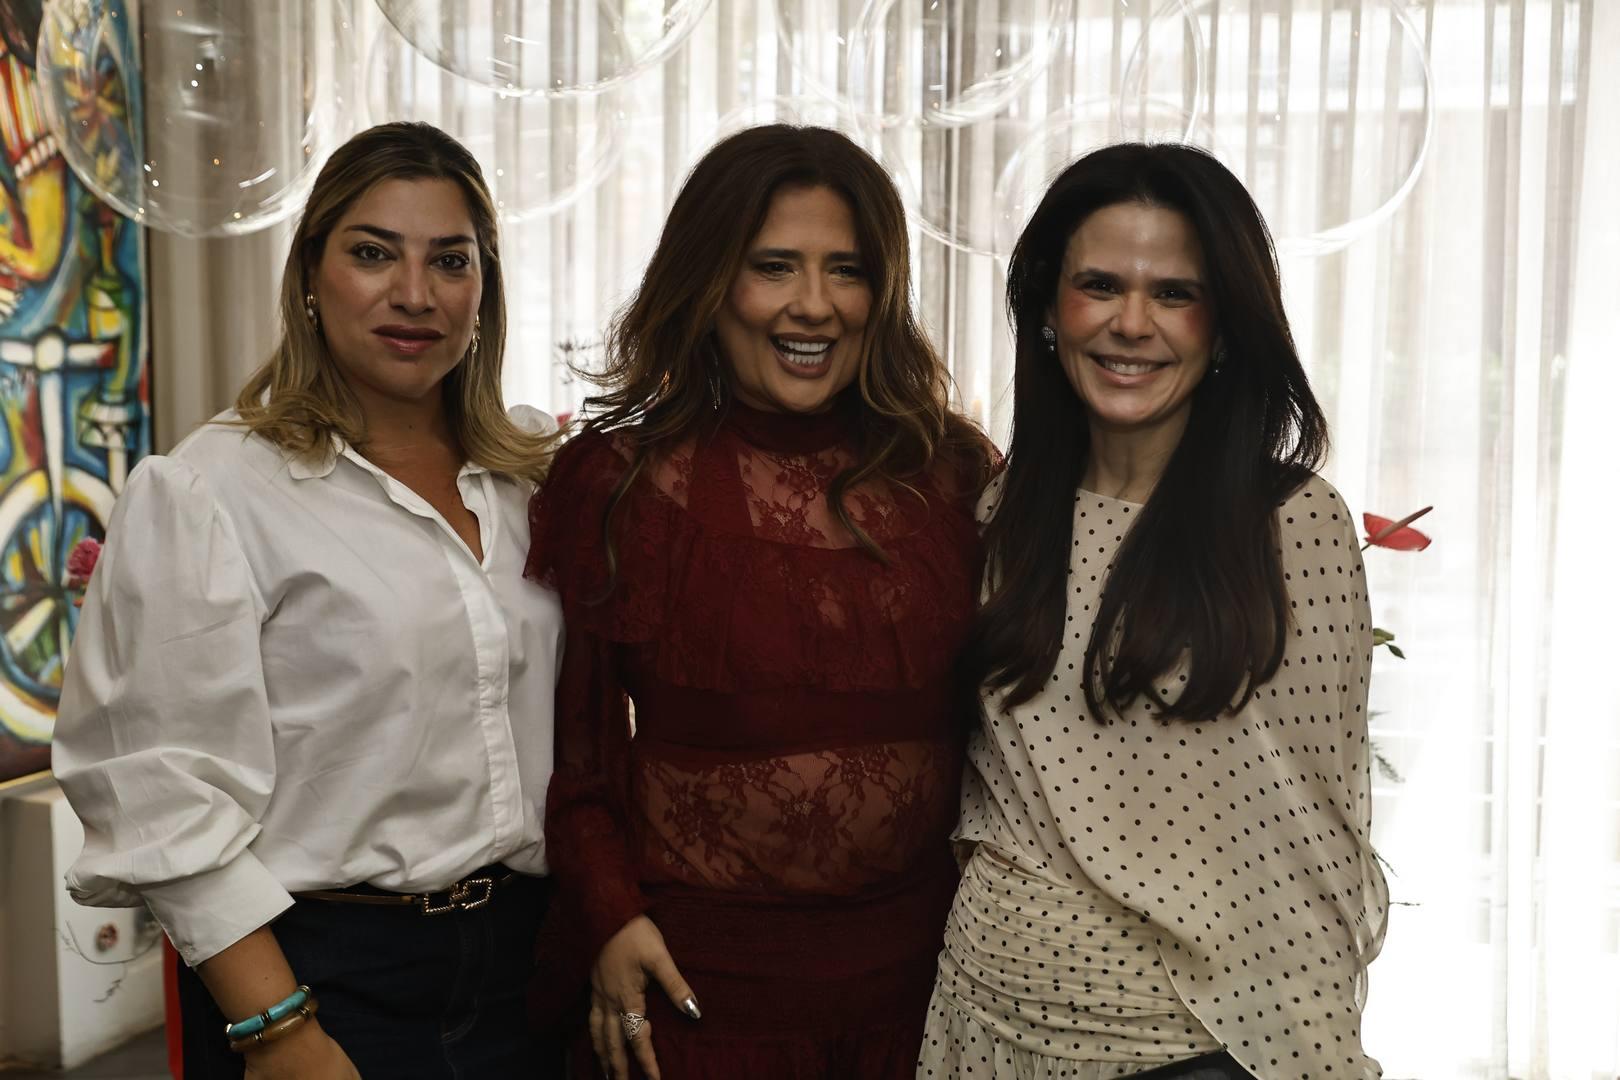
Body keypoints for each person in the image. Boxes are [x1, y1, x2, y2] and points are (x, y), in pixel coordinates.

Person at [52, 122, 564, 1079]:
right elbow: (158, 788)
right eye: (373, 253)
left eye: (449, 260)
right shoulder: (214, 489)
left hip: (528, 969)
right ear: (309, 280)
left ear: (484, 290)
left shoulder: (532, 478)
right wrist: (280, 1029)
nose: (414, 293)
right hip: (320, 978)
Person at [527, 124, 996, 1080]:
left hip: (924, 989)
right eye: (774, 266)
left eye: (846, 270)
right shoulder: (620, 483)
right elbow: (578, 761)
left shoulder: (952, 474)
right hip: (699, 989)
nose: (814, 304)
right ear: (710, 283)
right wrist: (610, 919)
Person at [917, 143, 1388, 1080]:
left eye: (1174, 293)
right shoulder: (999, 514)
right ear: (1048, 310)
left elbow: (1312, 831)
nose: (1131, 323)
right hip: (981, 1024)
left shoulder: (1291, 524)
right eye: (1100, 285)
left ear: (1226, 327)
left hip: (1191, 1046)